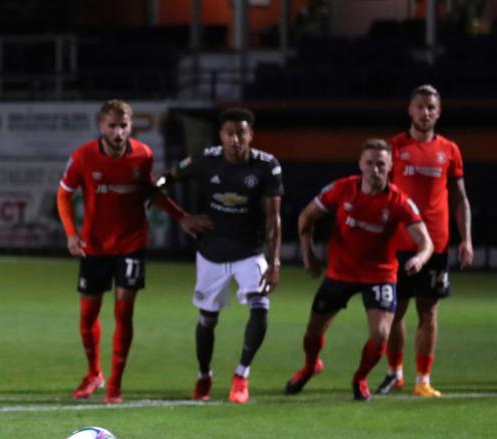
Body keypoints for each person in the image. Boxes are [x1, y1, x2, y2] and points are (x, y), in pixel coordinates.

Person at [57, 99, 210, 404]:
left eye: (123, 125)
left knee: (124, 313)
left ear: (131, 126)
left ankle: (115, 384)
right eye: (112, 126)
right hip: (94, 246)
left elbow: (151, 192)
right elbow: (63, 195)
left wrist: (181, 216)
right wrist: (72, 235)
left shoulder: (143, 155)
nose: (118, 132)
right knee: (88, 316)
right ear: (101, 126)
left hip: (131, 243)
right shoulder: (82, 157)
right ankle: (94, 374)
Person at [285, 139, 433, 401]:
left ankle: (360, 378)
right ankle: (310, 367)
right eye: (370, 163)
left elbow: (426, 241)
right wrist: (308, 255)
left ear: (390, 167)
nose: (374, 169)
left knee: (380, 335)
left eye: (380, 164)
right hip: (340, 273)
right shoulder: (342, 189)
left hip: (380, 275)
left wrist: (420, 259)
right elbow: (306, 218)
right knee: (313, 332)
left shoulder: (399, 201)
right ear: (360, 164)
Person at [164, 107, 283, 404]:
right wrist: (181, 217)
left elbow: (274, 218)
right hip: (211, 253)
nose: (236, 139)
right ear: (221, 135)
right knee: (207, 319)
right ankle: (204, 376)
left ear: (251, 135)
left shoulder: (266, 166)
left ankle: (242, 375)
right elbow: (164, 181)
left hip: (250, 252)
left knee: (260, 307)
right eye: (230, 133)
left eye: (242, 133)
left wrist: (275, 261)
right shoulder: (206, 160)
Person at [376, 85, 474, 397]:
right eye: (420, 106)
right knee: (394, 310)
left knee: (429, 311)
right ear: (410, 110)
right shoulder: (394, 148)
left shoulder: (450, 150)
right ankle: (395, 373)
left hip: (438, 243)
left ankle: (423, 379)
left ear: (439, 112)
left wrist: (466, 239)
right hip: (401, 243)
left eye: (431, 107)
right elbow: (381, 197)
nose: (425, 112)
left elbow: (459, 198)